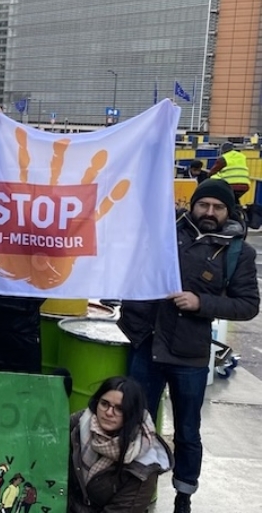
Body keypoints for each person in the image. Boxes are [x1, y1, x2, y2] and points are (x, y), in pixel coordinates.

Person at [118, 179, 258, 513]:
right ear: (192, 205)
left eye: (218, 207)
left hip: (189, 353)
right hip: (146, 347)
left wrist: (201, 303)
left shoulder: (239, 251)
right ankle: (134, 491)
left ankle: (184, 495)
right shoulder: (165, 235)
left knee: (187, 431)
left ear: (229, 211)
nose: (209, 212)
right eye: (203, 205)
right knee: (137, 426)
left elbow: (248, 305)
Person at [68, 376, 173, 513]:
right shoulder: (81, 424)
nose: (109, 413)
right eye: (104, 404)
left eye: (119, 409)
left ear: (132, 413)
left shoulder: (142, 470)